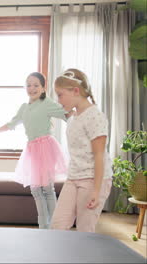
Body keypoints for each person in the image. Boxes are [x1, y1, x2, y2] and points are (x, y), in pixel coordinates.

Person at [0, 72, 71, 229]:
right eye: (29, 85)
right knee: (36, 189)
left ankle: (56, 226)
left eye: (36, 85)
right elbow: (12, 124)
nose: (32, 88)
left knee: (47, 188)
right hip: (32, 150)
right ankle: (43, 225)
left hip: (46, 148)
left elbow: (66, 113)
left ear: (43, 88)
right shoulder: (24, 108)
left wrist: (81, 107)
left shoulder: (47, 103)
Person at [51, 69, 112, 233]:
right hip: (73, 177)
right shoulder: (74, 117)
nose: (59, 100)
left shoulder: (95, 116)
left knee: (85, 231)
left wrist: (96, 191)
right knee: (57, 225)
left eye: (60, 94)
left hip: (93, 180)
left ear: (76, 91)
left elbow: (99, 155)